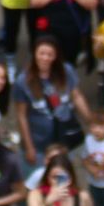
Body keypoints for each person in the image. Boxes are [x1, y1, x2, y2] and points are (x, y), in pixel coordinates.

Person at [14, 36, 91, 166]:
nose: (45, 58)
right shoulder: (23, 81)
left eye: (50, 54)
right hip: (39, 141)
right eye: (42, 53)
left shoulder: (66, 71)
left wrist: (91, 121)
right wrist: (29, 147)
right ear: (34, 54)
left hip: (64, 137)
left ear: (56, 56)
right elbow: (22, 116)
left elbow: (76, 96)